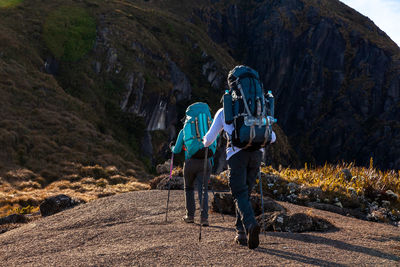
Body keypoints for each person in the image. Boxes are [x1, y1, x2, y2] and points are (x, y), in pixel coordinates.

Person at [202, 66, 276, 249]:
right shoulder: (260, 107)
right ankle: (241, 233)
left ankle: (250, 225)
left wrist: (203, 142)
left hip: (236, 155)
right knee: (245, 194)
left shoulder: (225, 110)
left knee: (239, 193)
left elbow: (208, 140)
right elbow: (272, 137)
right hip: (256, 154)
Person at [170, 102, 217, 226]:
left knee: (189, 188)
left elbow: (177, 150)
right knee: (203, 190)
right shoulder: (211, 127)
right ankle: (204, 218)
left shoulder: (185, 129)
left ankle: (189, 216)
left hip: (190, 162)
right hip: (206, 161)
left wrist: (172, 147)